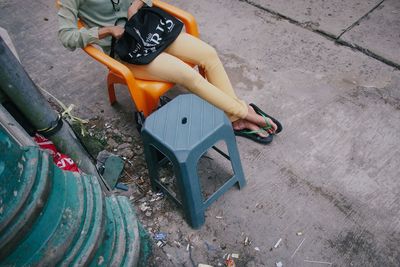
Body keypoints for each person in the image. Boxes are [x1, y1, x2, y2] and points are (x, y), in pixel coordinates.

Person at [57, 0, 282, 144]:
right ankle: (246, 115)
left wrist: (137, 4)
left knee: (208, 54)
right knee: (187, 75)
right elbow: (67, 37)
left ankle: (235, 118)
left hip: (149, 28)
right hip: (127, 51)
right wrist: (106, 31)